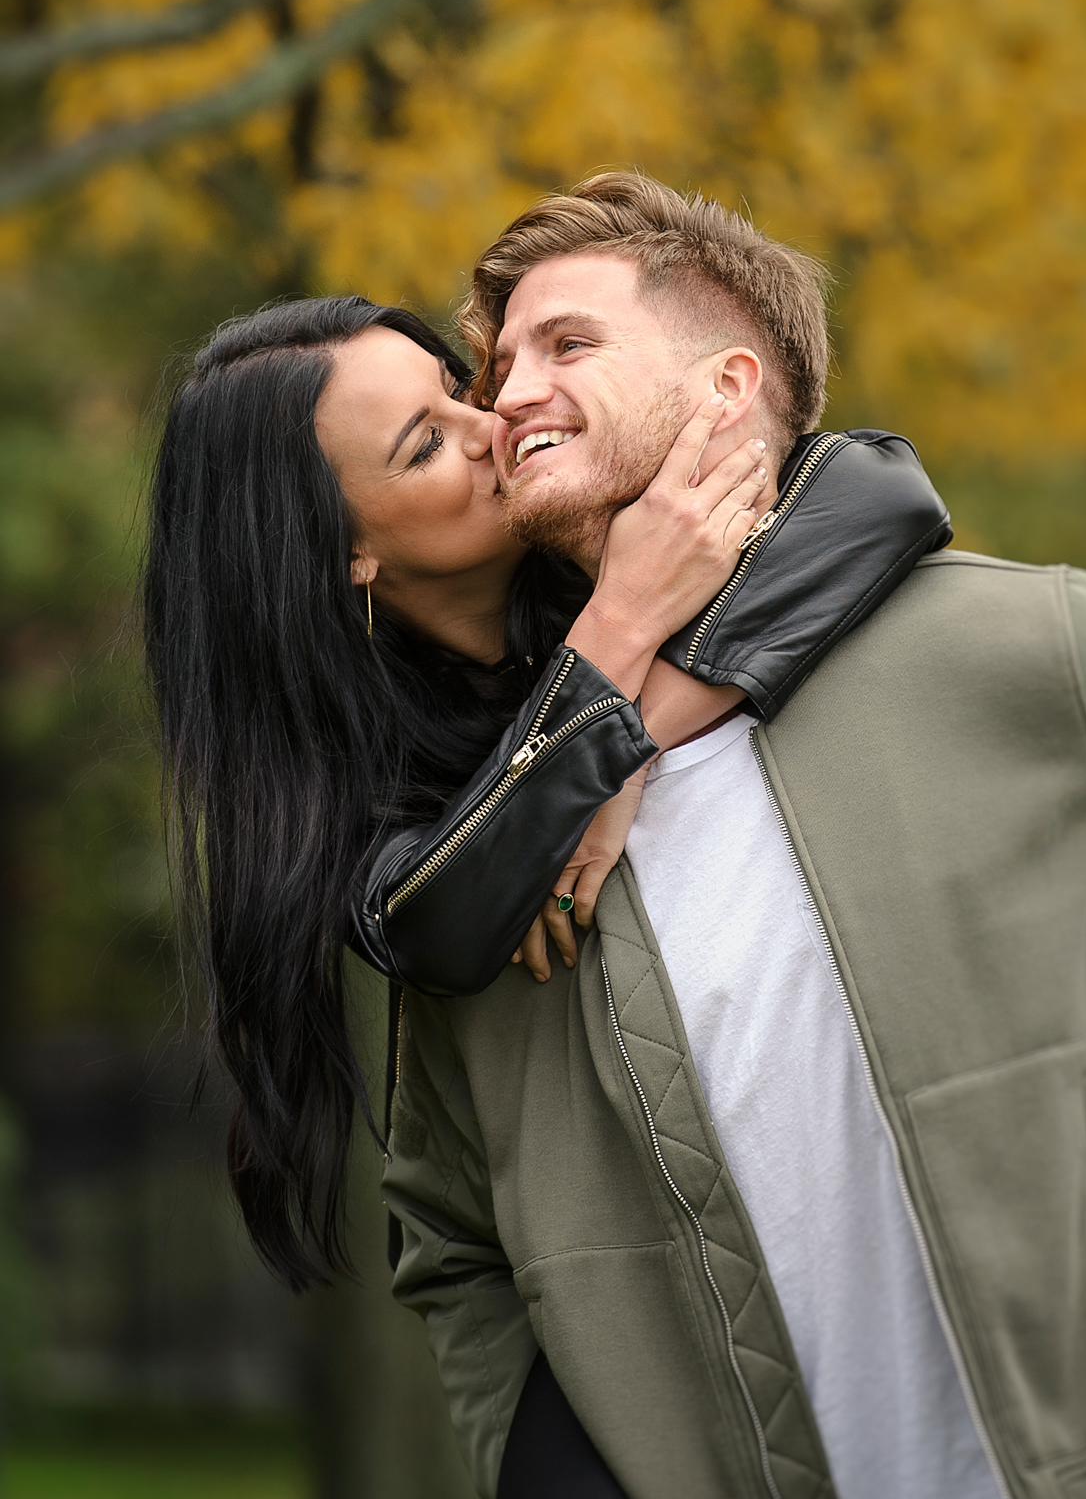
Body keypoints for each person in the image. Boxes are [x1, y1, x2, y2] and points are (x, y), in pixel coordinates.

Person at [381, 172, 1086, 1499]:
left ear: (730, 378)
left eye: (564, 344)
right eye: (496, 365)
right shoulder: (492, 849)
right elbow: (448, 1234)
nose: (508, 394)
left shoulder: (1033, 646)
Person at [141, 294, 949, 1289]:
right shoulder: (348, 785)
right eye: (426, 444)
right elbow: (441, 920)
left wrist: (631, 734)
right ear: (346, 551)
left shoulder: (610, 526)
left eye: (458, 389)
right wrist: (617, 630)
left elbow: (877, 487)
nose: (495, 428)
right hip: (636, 1283)